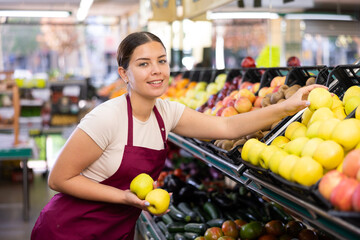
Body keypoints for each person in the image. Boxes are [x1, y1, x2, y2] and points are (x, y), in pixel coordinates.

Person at [31, 31, 325, 240]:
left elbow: (226, 128)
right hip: (69, 230)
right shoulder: (107, 117)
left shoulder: (166, 112)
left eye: (161, 61)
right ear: (124, 74)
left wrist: (287, 106)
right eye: (143, 64)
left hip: (117, 230)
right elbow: (59, 179)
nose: (156, 71)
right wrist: (124, 197)